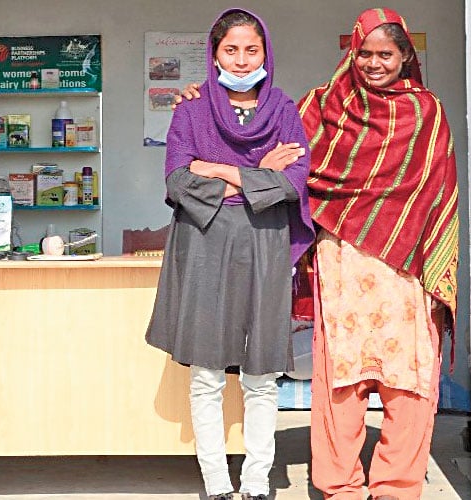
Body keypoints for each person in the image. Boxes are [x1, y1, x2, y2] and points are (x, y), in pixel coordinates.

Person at [176, 7, 459, 499]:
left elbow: (436, 191)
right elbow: (289, 170)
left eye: (386, 55)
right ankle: (339, 485)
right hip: (341, 260)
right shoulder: (322, 105)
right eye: (365, 53)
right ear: (352, 53)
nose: (375, 63)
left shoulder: (426, 111)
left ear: (405, 57)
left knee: (406, 376)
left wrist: (232, 173)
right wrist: (248, 165)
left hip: (404, 267)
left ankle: (396, 486)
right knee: (341, 378)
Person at [145, 7, 315, 500]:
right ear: (214, 54)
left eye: (251, 50)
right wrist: (258, 173)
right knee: (207, 373)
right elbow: (178, 180)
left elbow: (294, 180)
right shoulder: (191, 109)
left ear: (266, 54)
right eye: (231, 50)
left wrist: (219, 169)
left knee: (262, 373)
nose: (241, 61)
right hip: (204, 241)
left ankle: (257, 480)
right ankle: (217, 482)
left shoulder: (283, 109)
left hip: (265, 243)